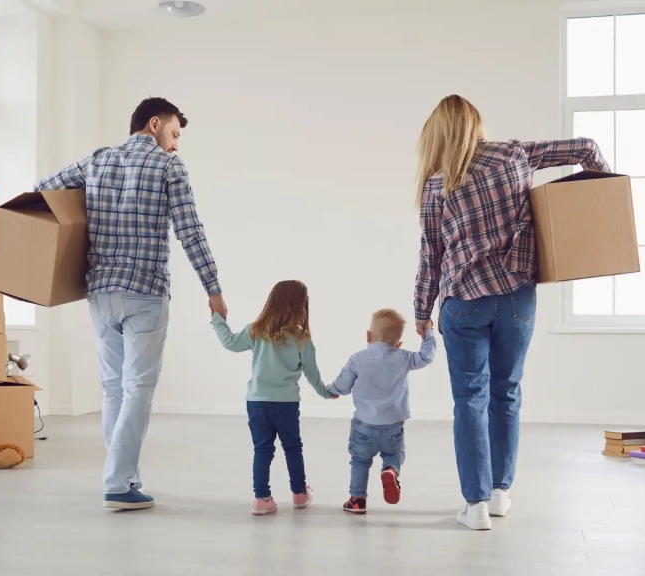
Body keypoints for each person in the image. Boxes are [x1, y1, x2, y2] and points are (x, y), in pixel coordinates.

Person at [413, 95, 610, 530]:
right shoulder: (515, 154)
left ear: (439, 133)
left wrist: (421, 310)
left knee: (470, 400)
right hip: (517, 298)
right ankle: (501, 493)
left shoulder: (435, 184)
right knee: (507, 393)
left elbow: (432, 255)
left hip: (464, 301)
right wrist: (599, 199)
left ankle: (476, 505)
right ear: (476, 125)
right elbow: (586, 147)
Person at [34, 97, 227, 510]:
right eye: (174, 134)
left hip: (101, 292)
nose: (175, 145)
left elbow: (42, 191)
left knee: (112, 390)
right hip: (145, 292)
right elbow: (190, 231)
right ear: (154, 124)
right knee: (138, 388)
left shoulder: (97, 162)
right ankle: (118, 482)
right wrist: (213, 288)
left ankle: (126, 477)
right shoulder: (168, 167)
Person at [210, 280, 337, 515]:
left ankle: (261, 499)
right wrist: (326, 393)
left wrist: (217, 318)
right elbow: (312, 375)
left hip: (256, 402)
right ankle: (300, 494)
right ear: (301, 306)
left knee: (262, 450)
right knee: (292, 447)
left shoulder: (256, 330)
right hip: (286, 404)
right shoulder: (302, 338)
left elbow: (229, 343)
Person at [326, 309, 436, 515]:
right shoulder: (403, 357)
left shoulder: (358, 359)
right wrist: (428, 332)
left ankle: (357, 500)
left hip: (363, 425)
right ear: (398, 343)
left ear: (368, 335)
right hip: (393, 424)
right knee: (394, 454)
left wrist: (331, 391)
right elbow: (426, 356)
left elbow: (343, 385)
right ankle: (390, 470)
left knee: (360, 461)